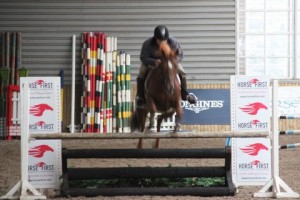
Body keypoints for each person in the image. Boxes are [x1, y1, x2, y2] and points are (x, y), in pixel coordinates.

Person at [136, 25, 198, 106]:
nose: (162, 43)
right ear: (156, 39)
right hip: (153, 63)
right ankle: (140, 97)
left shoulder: (173, 42)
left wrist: (172, 61)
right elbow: (143, 57)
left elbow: (180, 55)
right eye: (160, 41)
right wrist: (154, 61)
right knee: (141, 73)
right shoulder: (147, 43)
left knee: (182, 72)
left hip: (169, 63)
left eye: (164, 41)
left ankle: (185, 94)